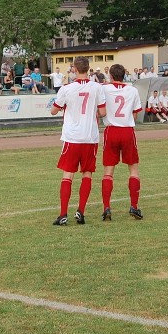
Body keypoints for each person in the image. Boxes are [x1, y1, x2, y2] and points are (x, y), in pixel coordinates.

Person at [50, 55, 107, 226]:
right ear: (89, 69)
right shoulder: (97, 87)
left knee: (68, 174)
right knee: (87, 173)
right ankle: (81, 211)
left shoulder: (67, 89)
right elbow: (103, 113)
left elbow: (53, 110)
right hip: (90, 136)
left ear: (74, 69)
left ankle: (63, 214)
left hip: (72, 136)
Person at [100, 64, 143, 221]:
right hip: (127, 131)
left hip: (111, 131)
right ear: (124, 75)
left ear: (110, 76)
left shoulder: (104, 89)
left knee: (108, 172)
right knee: (133, 169)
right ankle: (134, 206)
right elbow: (136, 113)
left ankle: (106, 208)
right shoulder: (132, 90)